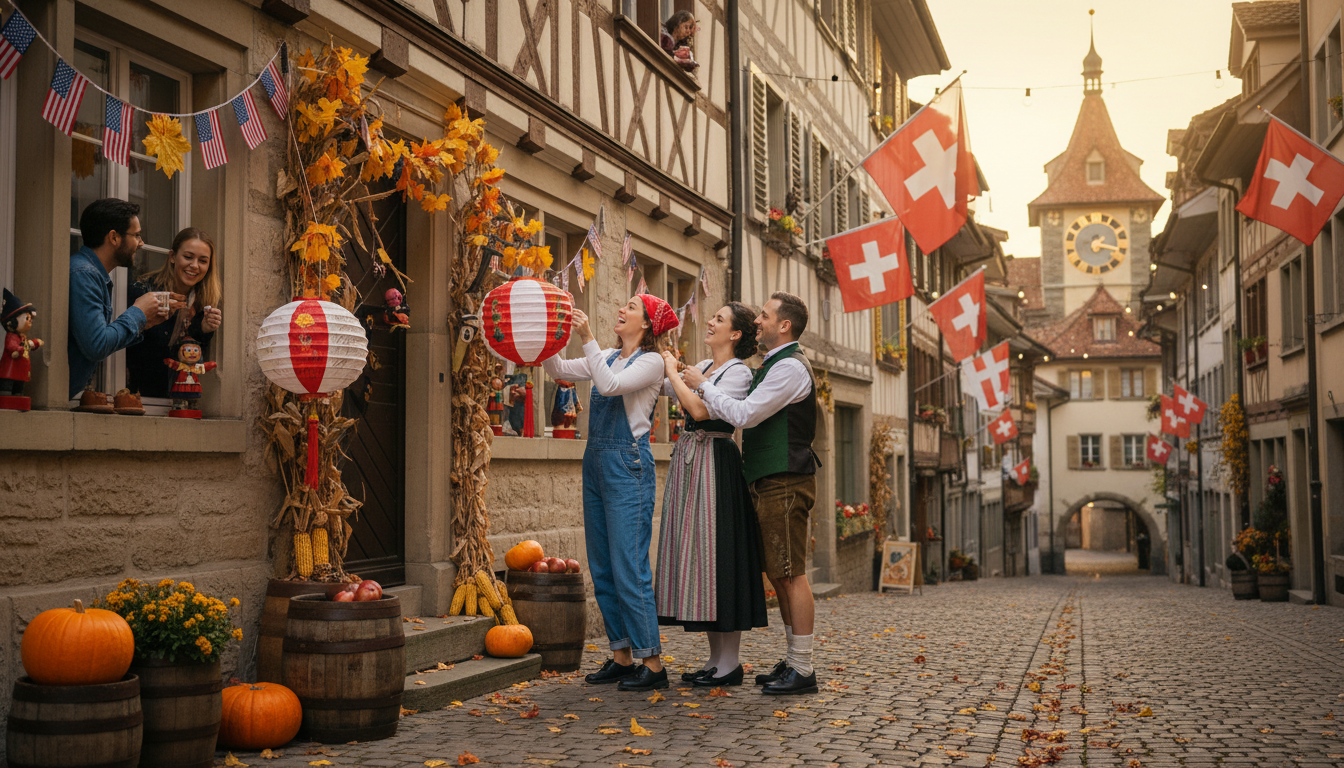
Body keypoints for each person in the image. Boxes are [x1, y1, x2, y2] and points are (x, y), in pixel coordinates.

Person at [680, 291, 820, 696]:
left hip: (786, 479)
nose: (757, 320)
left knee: (791, 574)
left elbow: (743, 416)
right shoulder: (773, 364)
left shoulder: (790, 368)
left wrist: (704, 385)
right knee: (779, 572)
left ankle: (803, 666)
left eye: (764, 315)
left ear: (784, 325)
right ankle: (794, 659)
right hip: (767, 479)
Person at [542, 295, 679, 692]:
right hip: (596, 463)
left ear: (648, 324)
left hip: (627, 466)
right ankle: (622, 655)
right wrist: (553, 334)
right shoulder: (606, 355)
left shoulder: (651, 362)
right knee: (602, 565)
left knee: (628, 565)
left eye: (632, 306)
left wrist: (585, 335)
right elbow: (559, 370)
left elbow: (610, 385)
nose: (623, 309)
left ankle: (651, 662)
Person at [656, 302, 768, 688]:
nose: (710, 321)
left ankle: (730, 663)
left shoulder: (737, 372)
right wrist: (668, 366)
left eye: (719, 319)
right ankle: (715, 659)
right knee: (699, 558)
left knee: (718, 555)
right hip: (692, 459)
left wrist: (675, 373)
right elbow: (675, 393)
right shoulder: (705, 365)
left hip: (715, 462)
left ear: (735, 334)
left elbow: (701, 410)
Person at [68, 198, 184, 399]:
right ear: (114, 237)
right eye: (137, 235)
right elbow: (97, 346)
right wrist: (138, 312)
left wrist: (145, 322)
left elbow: (100, 341)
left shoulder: (91, 273)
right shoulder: (85, 274)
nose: (141, 243)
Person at [125, 228, 222, 399]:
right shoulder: (144, 291)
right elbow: (132, 349)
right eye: (188, 257)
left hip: (179, 399)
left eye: (203, 260)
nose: (194, 265)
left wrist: (203, 331)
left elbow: (192, 358)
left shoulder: (203, 301)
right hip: (138, 396)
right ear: (172, 257)